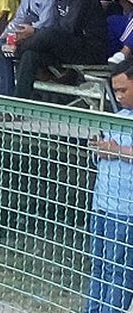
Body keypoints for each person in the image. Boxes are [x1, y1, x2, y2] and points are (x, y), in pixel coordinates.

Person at [12, 0, 107, 99]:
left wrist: (36, 32)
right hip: (67, 46)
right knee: (30, 56)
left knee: (47, 35)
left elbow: (69, 28)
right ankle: (18, 104)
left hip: (89, 48)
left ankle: (16, 49)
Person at [87, 58, 133, 313]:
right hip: (102, 203)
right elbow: (106, 150)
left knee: (118, 269)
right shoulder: (120, 116)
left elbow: (120, 151)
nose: (119, 96)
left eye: (123, 90)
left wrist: (118, 151)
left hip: (127, 210)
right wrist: (99, 149)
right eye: (115, 91)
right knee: (99, 265)